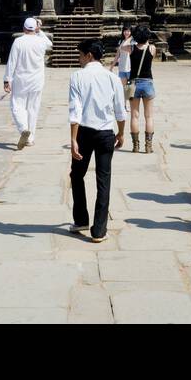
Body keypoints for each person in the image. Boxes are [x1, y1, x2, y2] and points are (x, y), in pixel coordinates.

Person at [68, 39, 127, 242]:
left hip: (84, 132)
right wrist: (121, 133)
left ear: (89, 55)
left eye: (80, 54)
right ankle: (99, 230)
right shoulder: (112, 77)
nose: (78, 58)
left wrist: (73, 139)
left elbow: (75, 111)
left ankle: (81, 219)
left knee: (77, 175)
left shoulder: (77, 76)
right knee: (104, 180)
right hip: (105, 133)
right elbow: (120, 110)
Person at [4, 16, 52, 149]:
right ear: (35, 28)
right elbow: (50, 44)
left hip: (21, 80)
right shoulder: (41, 41)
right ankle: (30, 139)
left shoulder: (18, 42)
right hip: (37, 81)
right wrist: (40, 30)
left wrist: (7, 79)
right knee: (33, 109)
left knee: (17, 106)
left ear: (24, 28)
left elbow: (12, 61)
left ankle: (24, 129)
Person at [127, 25, 157, 153]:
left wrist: (131, 37)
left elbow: (122, 46)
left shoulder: (130, 48)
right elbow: (151, 52)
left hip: (134, 84)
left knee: (134, 116)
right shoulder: (152, 48)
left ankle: (135, 146)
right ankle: (148, 146)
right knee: (149, 116)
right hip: (147, 83)